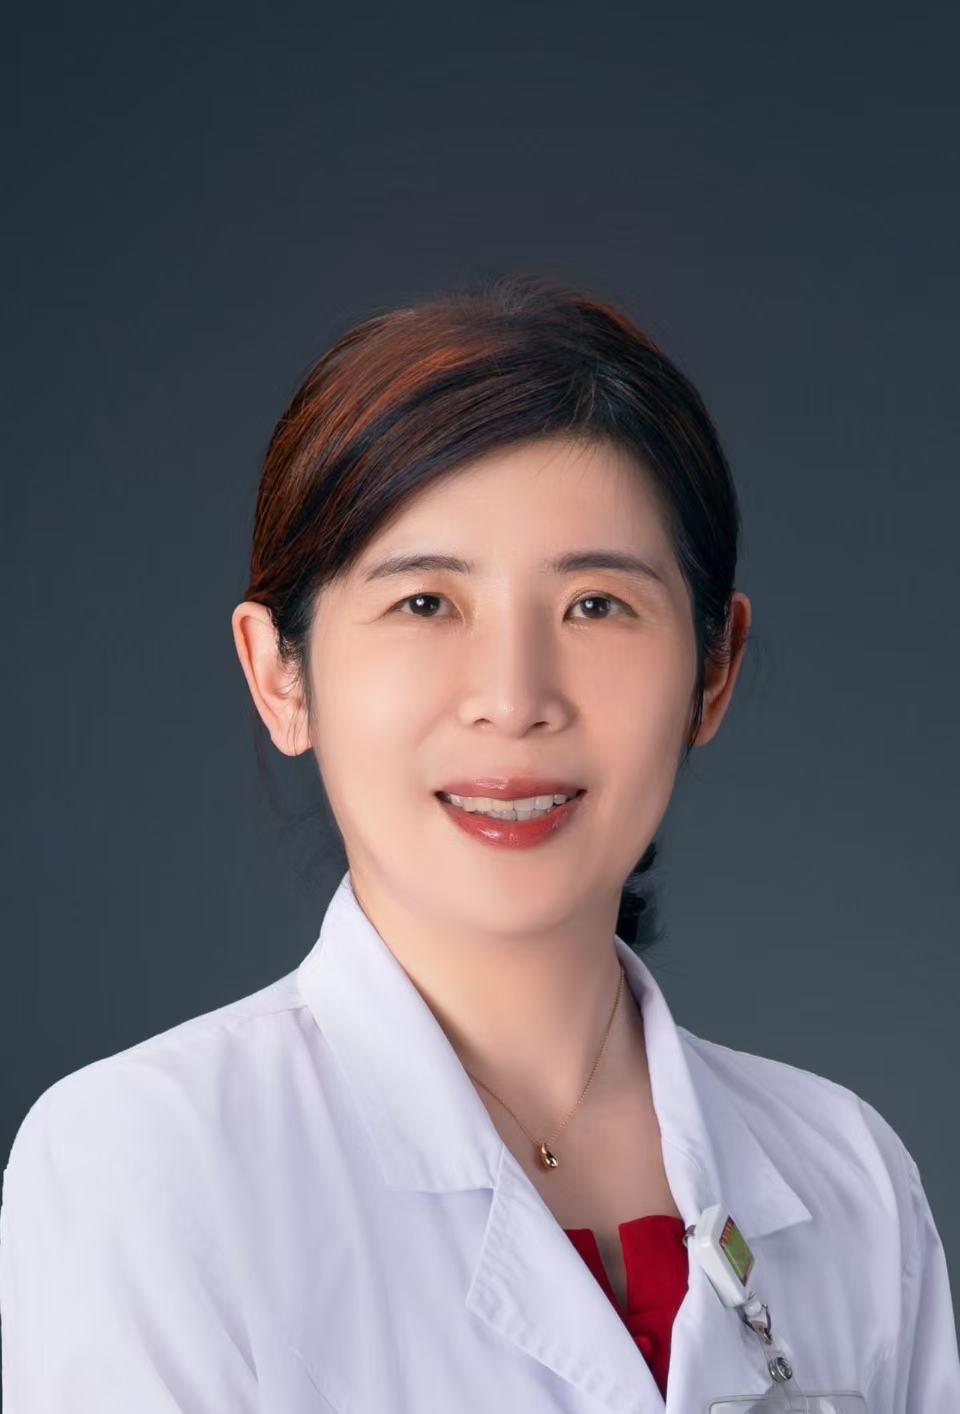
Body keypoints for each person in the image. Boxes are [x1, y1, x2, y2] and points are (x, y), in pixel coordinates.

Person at [1, 273, 957, 1411]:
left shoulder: (850, 1178)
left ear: (714, 669)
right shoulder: (148, 1162)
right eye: (425, 604)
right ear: (280, 675)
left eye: (596, 604)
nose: (514, 700)